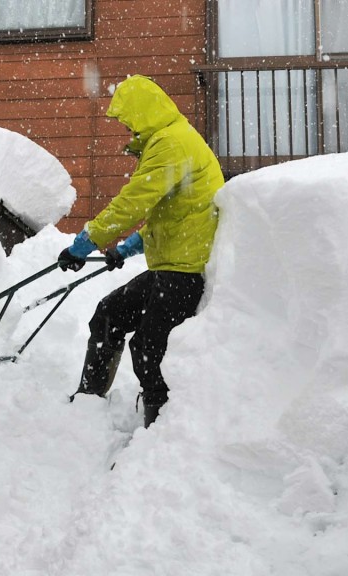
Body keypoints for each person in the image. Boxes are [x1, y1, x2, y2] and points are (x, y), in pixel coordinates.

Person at [58, 75, 224, 428]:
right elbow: (172, 212)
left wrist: (83, 244)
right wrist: (128, 248)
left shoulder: (172, 144)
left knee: (149, 348)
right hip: (169, 266)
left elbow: (133, 203)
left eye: (128, 119)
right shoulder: (169, 140)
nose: (127, 127)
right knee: (109, 314)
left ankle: (161, 429)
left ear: (143, 112)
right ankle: (88, 404)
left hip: (185, 270)